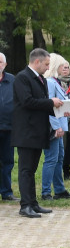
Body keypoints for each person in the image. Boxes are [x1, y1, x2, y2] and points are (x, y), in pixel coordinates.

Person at [12, 48, 63, 218]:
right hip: (26, 132)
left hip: (38, 131)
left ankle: (33, 203)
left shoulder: (41, 79)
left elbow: (43, 105)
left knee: (32, 169)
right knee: (26, 170)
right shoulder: (22, 77)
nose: (48, 68)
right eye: (46, 64)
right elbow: (27, 102)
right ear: (37, 62)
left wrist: (61, 109)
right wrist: (50, 102)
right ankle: (25, 205)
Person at [40, 54, 70, 201]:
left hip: (58, 124)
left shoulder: (55, 82)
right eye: (61, 65)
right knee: (51, 159)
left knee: (59, 158)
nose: (64, 68)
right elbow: (49, 107)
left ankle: (59, 189)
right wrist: (56, 127)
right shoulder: (50, 83)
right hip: (53, 127)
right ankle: (46, 191)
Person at [0, 53, 14, 202]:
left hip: (9, 128)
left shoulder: (12, 80)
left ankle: (6, 191)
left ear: (5, 64)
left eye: (0, 62)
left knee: (8, 161)